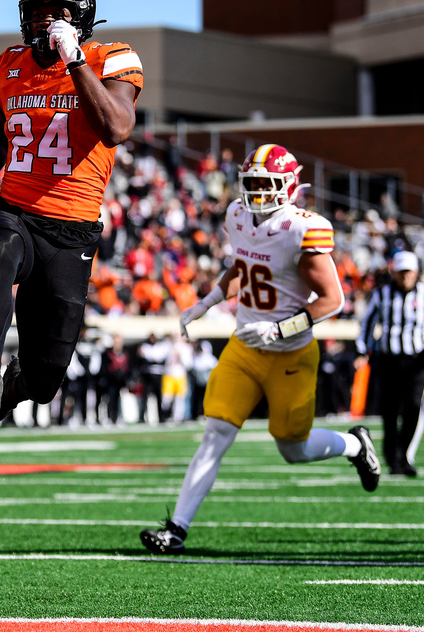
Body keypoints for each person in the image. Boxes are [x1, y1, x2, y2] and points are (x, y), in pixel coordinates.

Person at [140, 144, 381, 556]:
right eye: (250, 183)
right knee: (215, 434)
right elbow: (242, 266)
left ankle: (356, 444)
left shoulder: (301, 228)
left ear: (289, 186)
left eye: (265, 185)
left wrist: (280, 328)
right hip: (244, 346)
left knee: (293, 448)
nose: (256, 193)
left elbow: (333, 299)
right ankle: (176, 529)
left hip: (291, 353)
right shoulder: (238, 215)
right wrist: (207, 301)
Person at [0, 0, 143, 426]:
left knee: (46, 380)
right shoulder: (8, 65)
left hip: (73, 230)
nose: (46, 22)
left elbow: (116, 128)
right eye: (38, 12)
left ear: (81, 17)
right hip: (17, 210)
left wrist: (76, 62)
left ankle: (7, 391)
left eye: (57, 13)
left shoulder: (113, 58)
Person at [355, 250, 424, 477]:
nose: (405, 276)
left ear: (416, 273)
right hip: (388, 360)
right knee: (389, 412)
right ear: (394, 273)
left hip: (415, 360)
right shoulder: (382, 294)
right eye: (401, 272)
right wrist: (361, 351)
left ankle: (403, 454)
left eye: (409, 272)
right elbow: (367, 323)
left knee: (413, 407)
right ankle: (393, 459)